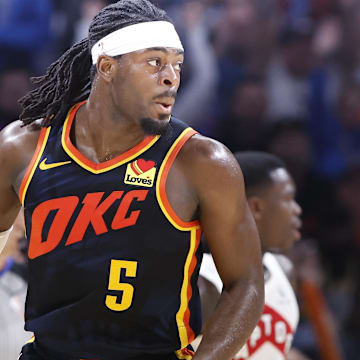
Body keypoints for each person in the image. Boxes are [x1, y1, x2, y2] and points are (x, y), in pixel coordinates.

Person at [0, 1, 264, 359]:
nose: (171, 77)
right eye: (154, 62)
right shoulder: (24, 146)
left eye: (177, 64)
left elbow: (245, 282)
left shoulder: (201, 162)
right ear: (107, 66)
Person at [198, 151, 306, 360]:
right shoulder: (203, 283)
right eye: (288, 199)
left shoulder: (284, 270)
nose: (297, 210)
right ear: (256, 208)